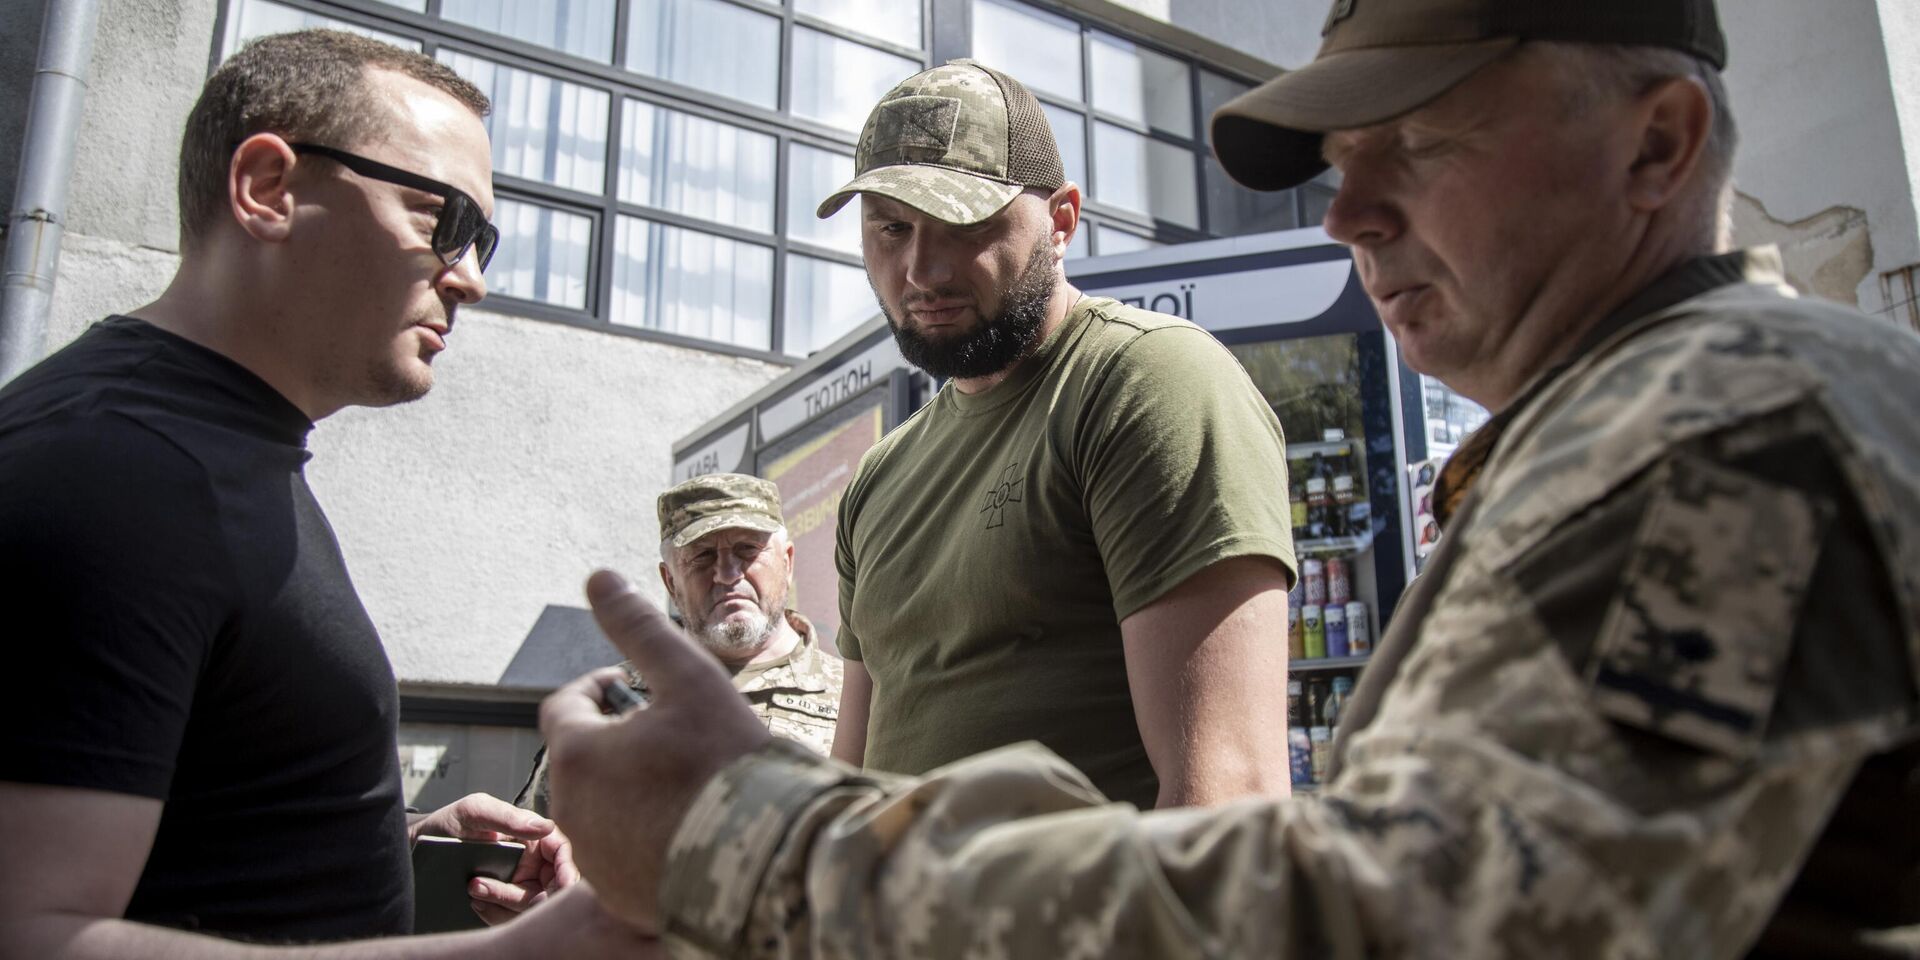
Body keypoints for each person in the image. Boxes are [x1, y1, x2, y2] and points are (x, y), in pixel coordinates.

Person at [536, 0, 1920, 956]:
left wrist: (756, 854)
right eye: (1339, 160)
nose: (1347, 215)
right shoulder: (1661, 423)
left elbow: (1424, 918)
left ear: (1659, 144)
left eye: (1422, 145)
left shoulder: (1733, 441)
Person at [0, 30, 642, 958]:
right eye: (441, 218)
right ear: (268, 189)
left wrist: (402, 839)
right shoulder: (113, 468)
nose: (473, 278)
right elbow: (33, 933)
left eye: (483, 237)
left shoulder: (211, 454)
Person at [817, 59, 1298, 810]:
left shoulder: (1143, 381)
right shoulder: (877, 480)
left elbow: (1228, 797)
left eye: (964, 224)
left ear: (1063, 221)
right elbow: (845, 794)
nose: (921, 268)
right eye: (892, 227)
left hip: (1095, 928)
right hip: (891, 926)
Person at [514, 474, 842, 814]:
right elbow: (538, 849)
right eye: (702, 556)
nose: (728, 574)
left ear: (787, 562)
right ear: (670, 581)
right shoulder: (608, 704)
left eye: (748, 550)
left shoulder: (854, 700)